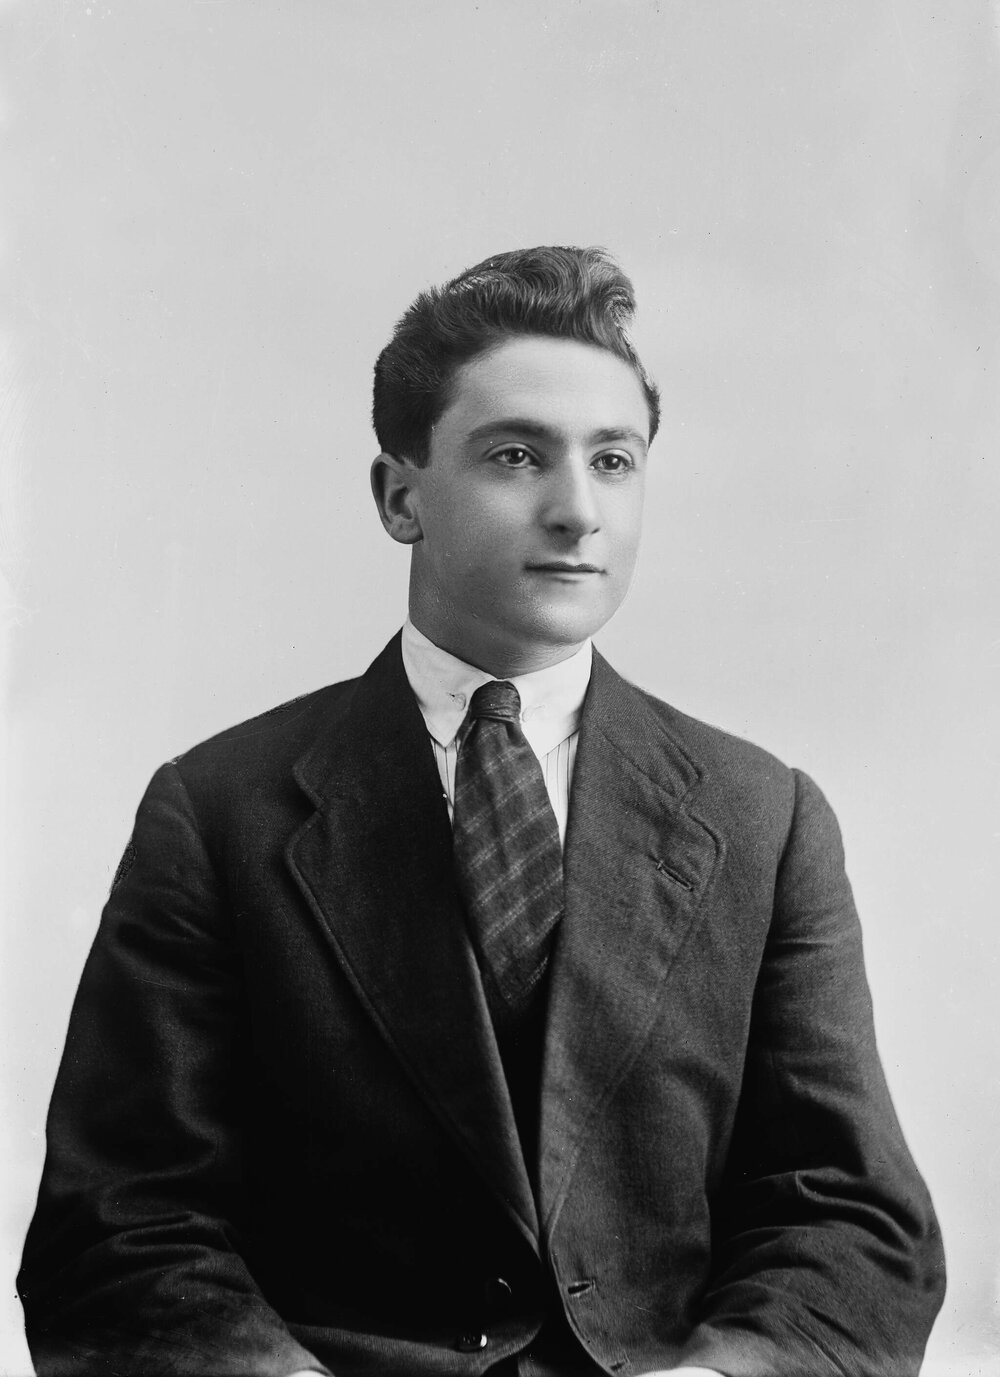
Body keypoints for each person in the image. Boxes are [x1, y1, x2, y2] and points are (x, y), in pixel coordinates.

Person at [18, 246, 945, 1377]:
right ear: (399, 495)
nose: (578, 511)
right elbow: (117, 1227)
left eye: (614, 460)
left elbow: (851, 1214)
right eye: (516, 455)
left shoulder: (764, 817)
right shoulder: (220, 811)